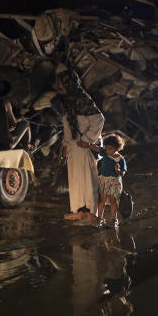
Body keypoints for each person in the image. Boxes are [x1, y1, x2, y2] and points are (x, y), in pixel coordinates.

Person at [56, 66, 104, 222]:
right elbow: (67, 126)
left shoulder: (83, 99)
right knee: (75, 180)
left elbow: (98, 120)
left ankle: (91, 212)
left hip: (83, 147)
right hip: (73, 148)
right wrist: (65, 144)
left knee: (88, 180)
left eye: (62, 83)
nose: (60, 86)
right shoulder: (69, 101)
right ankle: (77, 210)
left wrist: (87, 139)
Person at [89, 134, 127, 228]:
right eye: (106, 148)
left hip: (114, 182)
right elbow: (97, 148)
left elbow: (123, 173)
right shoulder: (105, 153)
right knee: (102, 199)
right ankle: (99, 218)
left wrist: (118, 171)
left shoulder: (121, 159)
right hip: (104, 180)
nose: (107, 150)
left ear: (117, 148)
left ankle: (114, 219)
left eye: (110, 148)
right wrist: (87, 144)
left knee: (113, 200)